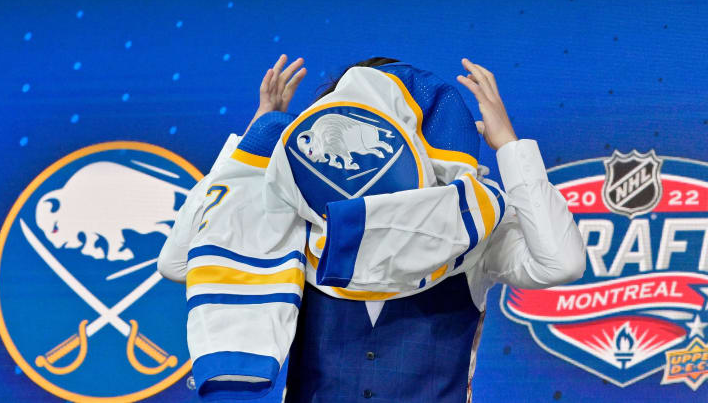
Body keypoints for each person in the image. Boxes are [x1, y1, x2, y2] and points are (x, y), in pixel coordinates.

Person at [158, 55, 586, 402]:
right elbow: (179, 261)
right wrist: (253, 151)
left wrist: (510, 148)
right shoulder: (296, 223)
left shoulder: (471, 226)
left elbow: (559, 262)